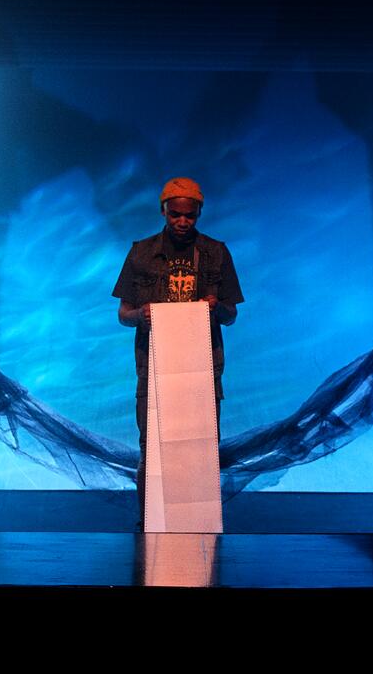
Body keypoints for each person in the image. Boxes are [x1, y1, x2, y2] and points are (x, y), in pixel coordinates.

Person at [112, 177, 244, 526]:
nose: (183, 223)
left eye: (190, 216)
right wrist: (142, 314)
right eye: (175, 216)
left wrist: (217, 307)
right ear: (163, 211)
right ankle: (149, 524)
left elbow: (232, 316)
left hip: (201, 368)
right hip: (154, 368)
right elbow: (123, 314)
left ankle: (199, 521)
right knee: (151, 448)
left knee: (201, 448)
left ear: (199, 212)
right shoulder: (141, 252)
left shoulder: (216, 252)